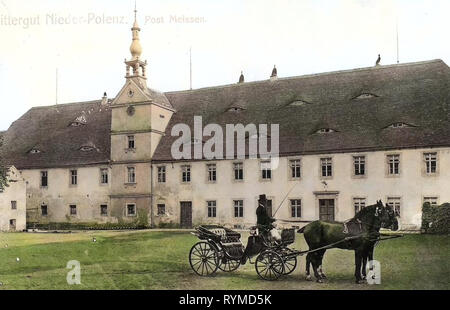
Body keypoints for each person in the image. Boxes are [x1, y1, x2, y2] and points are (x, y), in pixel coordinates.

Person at [240, 194, 276, 264]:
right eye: (264, 201)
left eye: (265, 201)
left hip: (264, 227)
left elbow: (266, 218)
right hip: (262, 228)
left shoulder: (263, 208)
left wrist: (271, 220)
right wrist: (271, 220)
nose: (265, 202)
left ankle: (264, 254)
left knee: (268, 241)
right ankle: (261, 255)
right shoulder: (260, 209)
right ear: (261, 201)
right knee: (264, 242)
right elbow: (264, 219)